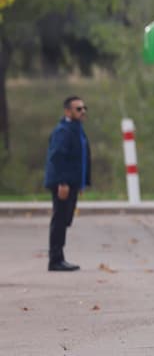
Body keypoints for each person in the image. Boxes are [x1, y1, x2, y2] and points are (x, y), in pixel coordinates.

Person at [43, 96, 90, 272]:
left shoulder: (76, 129)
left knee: (65, 219)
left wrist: (81, 183)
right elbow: (57, 158)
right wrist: (62, 183)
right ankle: (55, 260)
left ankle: (59, 257)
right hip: (63, 184)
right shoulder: (63, 131)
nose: (83, 111)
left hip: (72, 183)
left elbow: (80, 159)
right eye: (78, 109)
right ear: (68, 111)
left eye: (84, 108)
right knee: (60, 219)